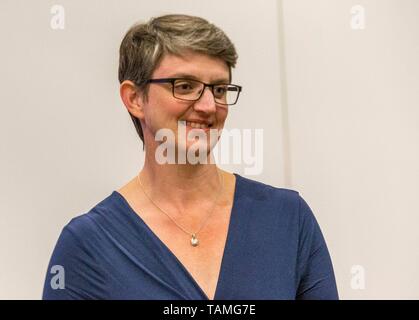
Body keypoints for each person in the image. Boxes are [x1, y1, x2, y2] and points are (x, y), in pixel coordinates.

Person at [42, 14, 338, 300]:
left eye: (219, 89)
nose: (209, 105)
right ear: (134, 99)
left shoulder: (287, 219)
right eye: (185, 86)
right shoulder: (89, 246)